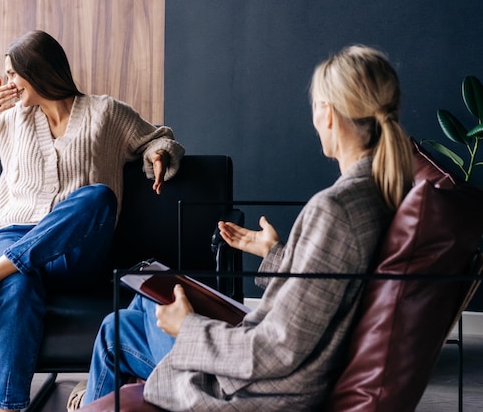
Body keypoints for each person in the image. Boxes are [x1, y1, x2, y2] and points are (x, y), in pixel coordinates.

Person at [71, 45, 413, 411]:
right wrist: (274, 253)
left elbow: (275, 350)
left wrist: (188, 327)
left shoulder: (335, 209)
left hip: (257, 389)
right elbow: (329, 290)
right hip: (281, 370)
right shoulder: (376, 194)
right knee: (143, 301)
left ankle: (96, 399)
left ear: (327, 114)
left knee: (116, 329)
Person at [0, 30, 185, 412]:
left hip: (74, 251)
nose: (9, 83)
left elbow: (156, 137)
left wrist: (160, 154)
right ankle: (9, 407)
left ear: (39, 71)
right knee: (17, 283)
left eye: (14, 74)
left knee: (99, 196)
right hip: (12, 236)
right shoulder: (12, 119)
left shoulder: (105, 112)